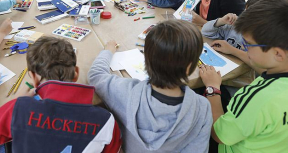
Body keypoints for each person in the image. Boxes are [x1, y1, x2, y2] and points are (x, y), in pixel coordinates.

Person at [0, 36, 122, 153]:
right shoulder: (107, 120)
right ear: (76, 73)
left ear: (34, 78)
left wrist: (13, 102)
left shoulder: (18, 109)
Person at [88, 20, 212, 152]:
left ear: (146, 59)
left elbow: (96, 75)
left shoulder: (126, 92)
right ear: (189, 67)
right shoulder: (202, 108)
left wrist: (108, 50)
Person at [199, 0, 288, 153]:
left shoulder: (259, 96)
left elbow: (218, 134)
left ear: (278, 54)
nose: (245, 49)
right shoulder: (279, 77)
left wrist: (212, 89)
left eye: (248, 45)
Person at [202, 0, 281, 74]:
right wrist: (221, 21)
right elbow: (206, 32)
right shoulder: (234, 26)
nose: (244, 15)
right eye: (245, 11)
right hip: (220, 68)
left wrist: (231, 50)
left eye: (250, 15)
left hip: (239, 78)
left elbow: (263, 68)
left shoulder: (266, 40)